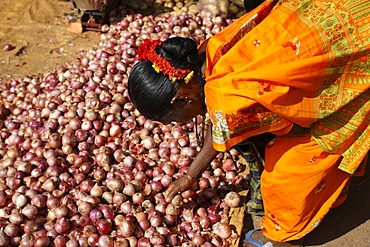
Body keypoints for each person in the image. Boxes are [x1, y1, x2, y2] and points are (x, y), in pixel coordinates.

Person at [128, 0, 370, 246]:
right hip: (334, 10)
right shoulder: (206, 54)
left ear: (181, 99)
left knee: (288, 173)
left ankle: (280, 237)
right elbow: (223, 124)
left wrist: (261, 125)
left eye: (169, 120)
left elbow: (297, 127)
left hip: (359, 48)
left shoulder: (226, 100)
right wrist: (191, 176)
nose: (174, 125)